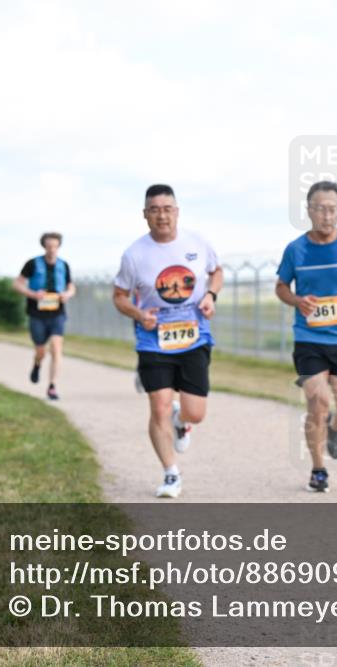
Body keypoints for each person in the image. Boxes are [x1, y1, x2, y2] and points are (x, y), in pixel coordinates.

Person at [112, 184, 222, 499]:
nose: (162, 215)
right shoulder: (134, 254)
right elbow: (119, 296)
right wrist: (137, 313)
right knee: (158, 406)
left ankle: (182, 421)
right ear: (145, 215)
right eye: (155, 209)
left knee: (195, 412)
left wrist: (211, 296)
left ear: (177, 212)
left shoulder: (197, 243)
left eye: (167, 208)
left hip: (194, 338)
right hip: (153, 341)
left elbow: (216, 272)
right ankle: (170, 473)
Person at [275, 180, 337, 493]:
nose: (326, 215)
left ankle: (335, 428)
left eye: (332, 209)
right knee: (317, 401)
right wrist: (296, 300)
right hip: (308, 339)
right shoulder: (296, 250)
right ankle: (318, 469)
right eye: (320, 209)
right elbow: (281, 287)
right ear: (309, 210)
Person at [13, 233, 76, 400]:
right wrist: (32, 294)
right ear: (44, 246)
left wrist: (67, 295)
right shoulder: (32, 264)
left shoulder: (64, 265)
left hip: (57, 313)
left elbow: (71, 287)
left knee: (56, 348)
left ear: (59, 246)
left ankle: (52, 386)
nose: (52, 250)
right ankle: (37, 364)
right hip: (37, 313)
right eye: (49, 246)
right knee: (41, 351)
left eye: (55, 246)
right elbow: (17, 284)